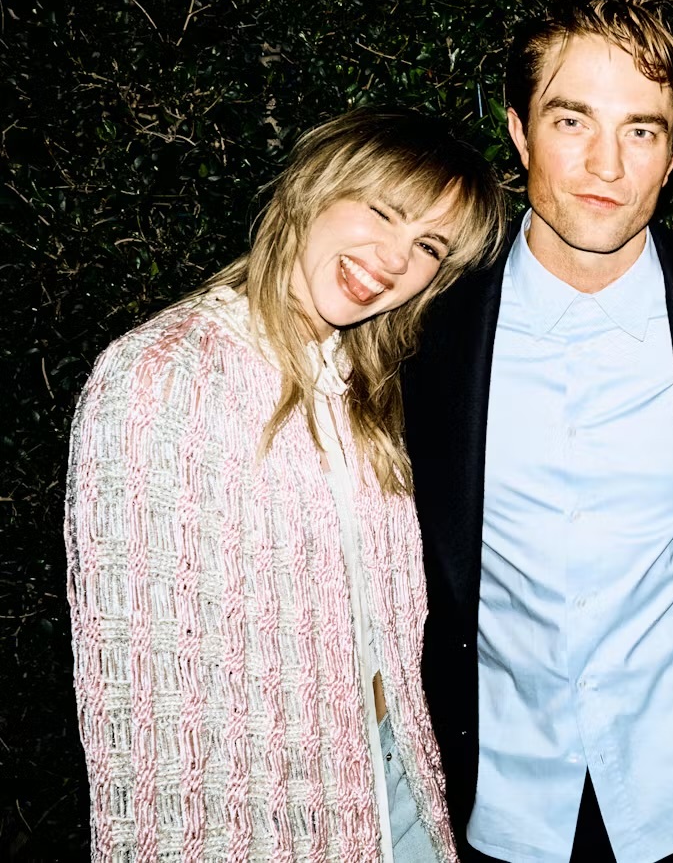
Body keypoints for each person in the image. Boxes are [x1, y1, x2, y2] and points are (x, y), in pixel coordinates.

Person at [399, 0, 673, 863]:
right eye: (572, 120)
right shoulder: (426, 329)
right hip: (500, 811)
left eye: (641, 130)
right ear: (519, 131)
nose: (605, 163)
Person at [64, 108, 508, 862]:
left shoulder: (366, 389)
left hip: (397, 794)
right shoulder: (165, 374)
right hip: (265, 817)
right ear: (316, 188)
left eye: (429, 246)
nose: (394, 258)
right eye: (383, 211)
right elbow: (141, 695)